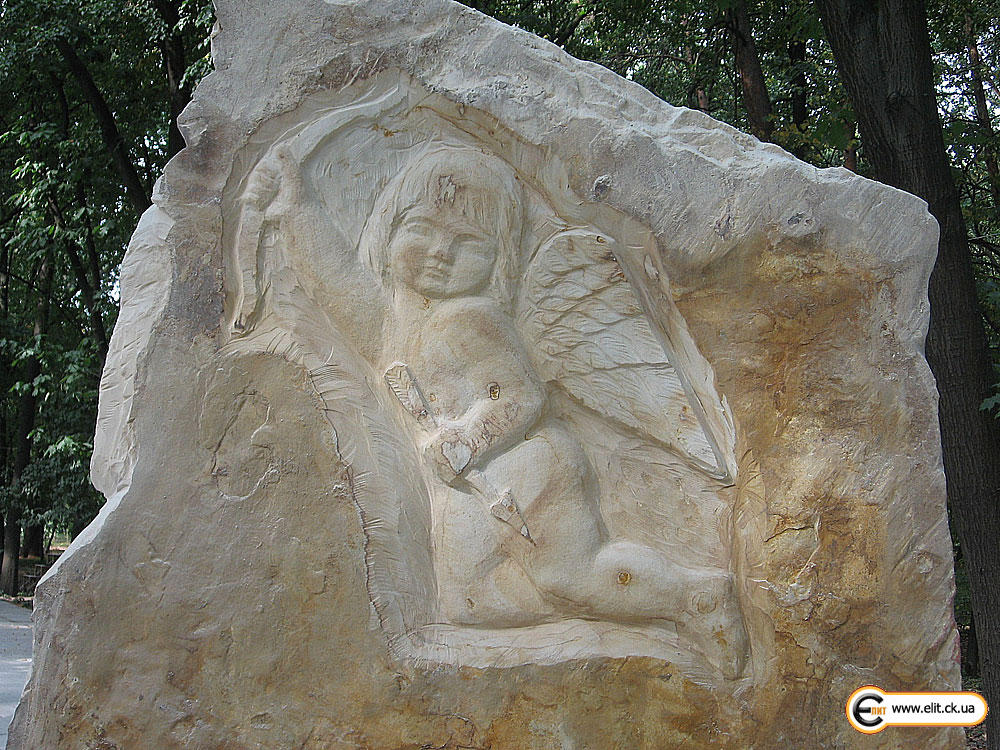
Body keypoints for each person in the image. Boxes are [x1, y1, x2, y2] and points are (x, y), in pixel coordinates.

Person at [363, 145, 746, 676]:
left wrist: (466, 440)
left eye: (467, 242)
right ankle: (599, 621)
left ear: (499, 256)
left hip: (527, 465)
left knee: (569, 576)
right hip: (481, 476)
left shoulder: (468, 318)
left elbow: (519, 396)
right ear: (387, 233)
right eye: (421, 230)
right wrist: (291, 209)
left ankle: (691, 597)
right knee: (468, 602)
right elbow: (343, 292)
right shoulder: (412, 318)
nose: (439, 253)